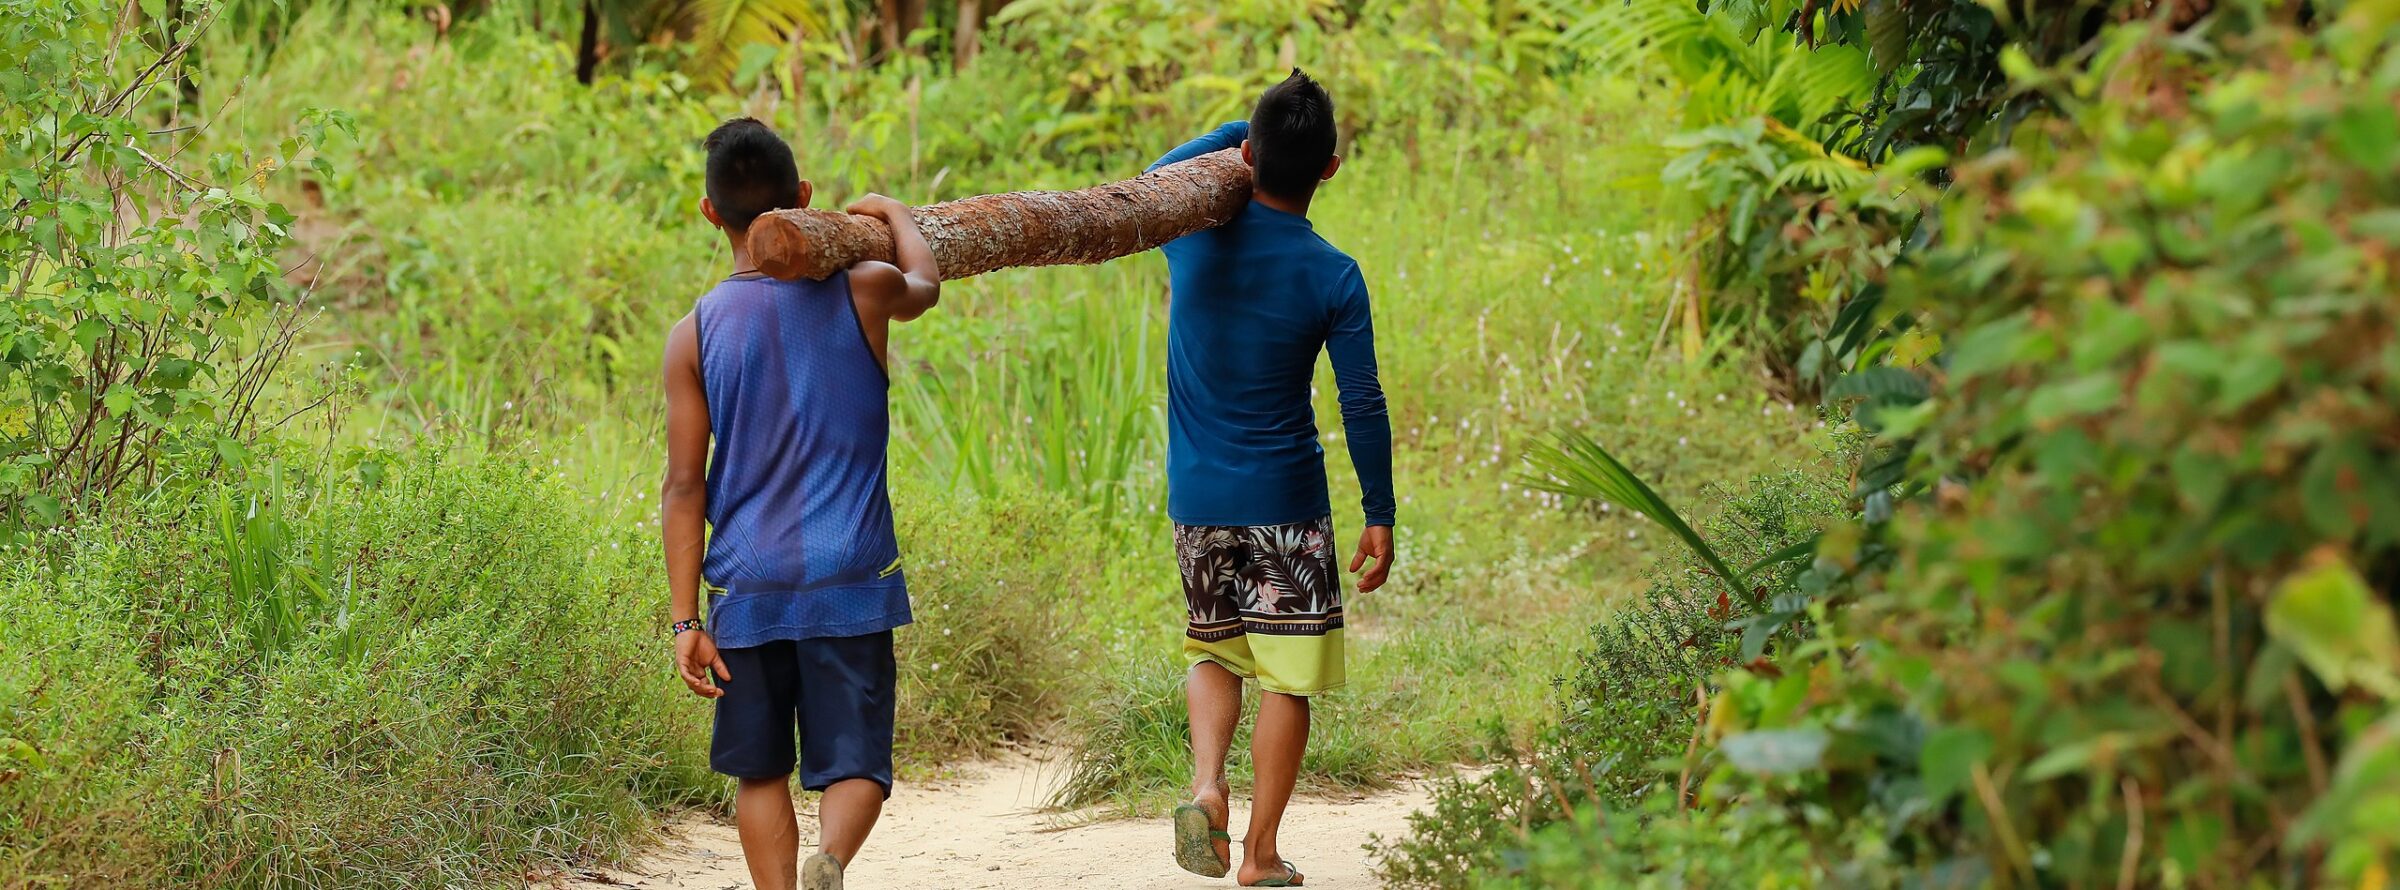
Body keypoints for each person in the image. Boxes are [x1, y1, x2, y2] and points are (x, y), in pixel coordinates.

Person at [657, 116, 940, 890]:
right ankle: (833, 858)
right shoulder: (863, 288)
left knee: (759, 773)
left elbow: (685, 485)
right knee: (857, 762)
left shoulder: (695, 333)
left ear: (710, 213)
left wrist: (687, 619)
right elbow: (928, 285)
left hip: (748, 588)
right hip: (850, 575)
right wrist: (896, 217)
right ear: (806, 201)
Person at [1148, 70, 1397, 888]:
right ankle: (1258, 855)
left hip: (1198, 499)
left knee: (1215, 651)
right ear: (1331, 169)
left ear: (1249, 155)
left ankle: (1207, 786)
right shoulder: (1334, 273)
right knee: (1290, 677)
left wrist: (1236, 131)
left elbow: (1156, 179)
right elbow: (1360, 399)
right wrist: (1379, 509)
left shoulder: (1193, 237)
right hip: (1286, 505)